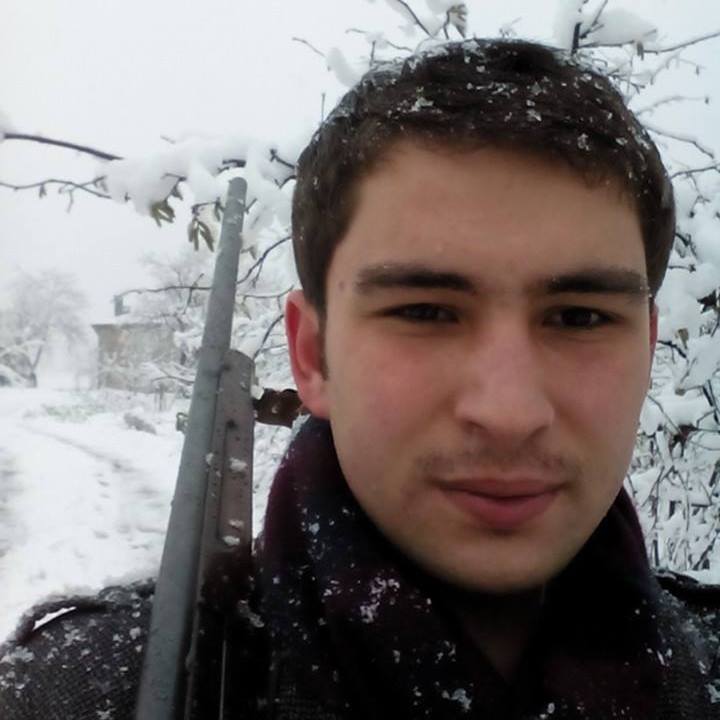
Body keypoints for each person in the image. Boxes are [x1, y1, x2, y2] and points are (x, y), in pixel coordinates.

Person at [2, 37, 719, 720]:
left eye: (580, 318)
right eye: (425, 312)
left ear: (646, 348)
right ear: (313, 355)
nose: (508, 412)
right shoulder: (67, 696)